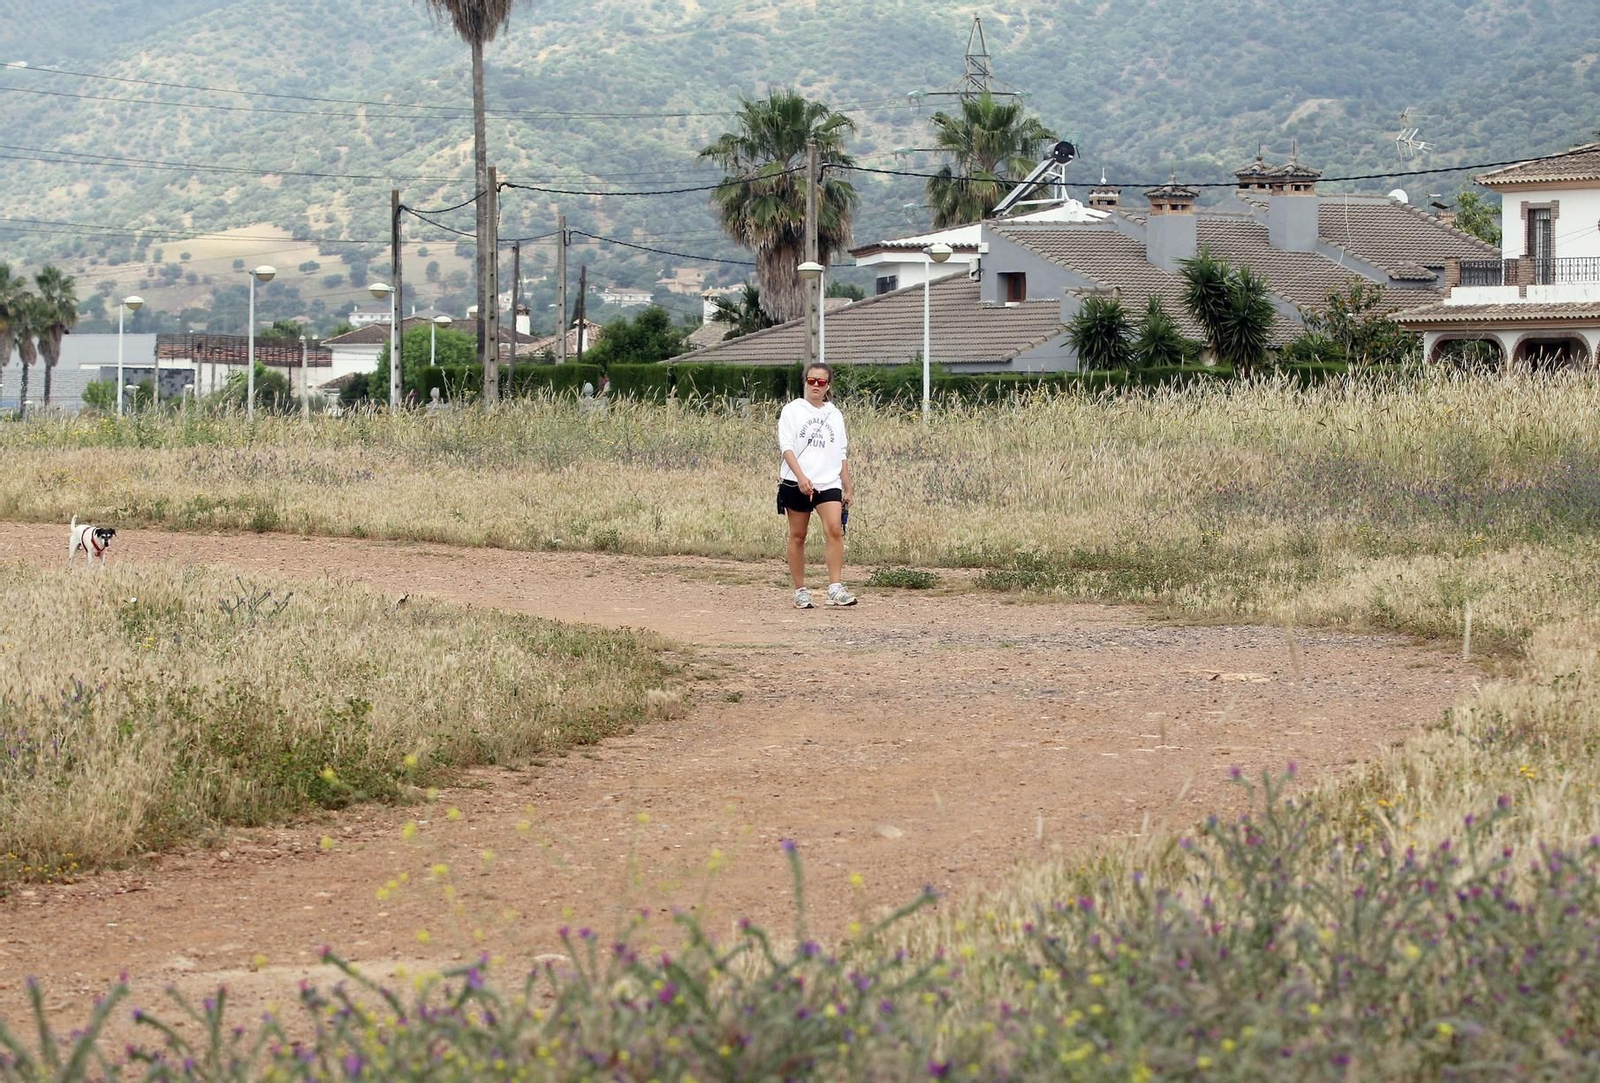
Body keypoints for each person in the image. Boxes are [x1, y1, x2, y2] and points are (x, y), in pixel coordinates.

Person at [777, 362, 855, 608]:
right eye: (811, 381)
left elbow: (841, 452)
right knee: (798, 535)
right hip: (796, 481)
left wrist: (847, 486)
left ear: (827, 386)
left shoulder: (834, 414)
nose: (815, 386)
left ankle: (835, 587)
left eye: (821, 382)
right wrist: (800, 477)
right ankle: (800, 590)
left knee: (834, 529)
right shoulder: (792, 410)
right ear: (805, 382)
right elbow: (786, 446)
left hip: (828, 481)